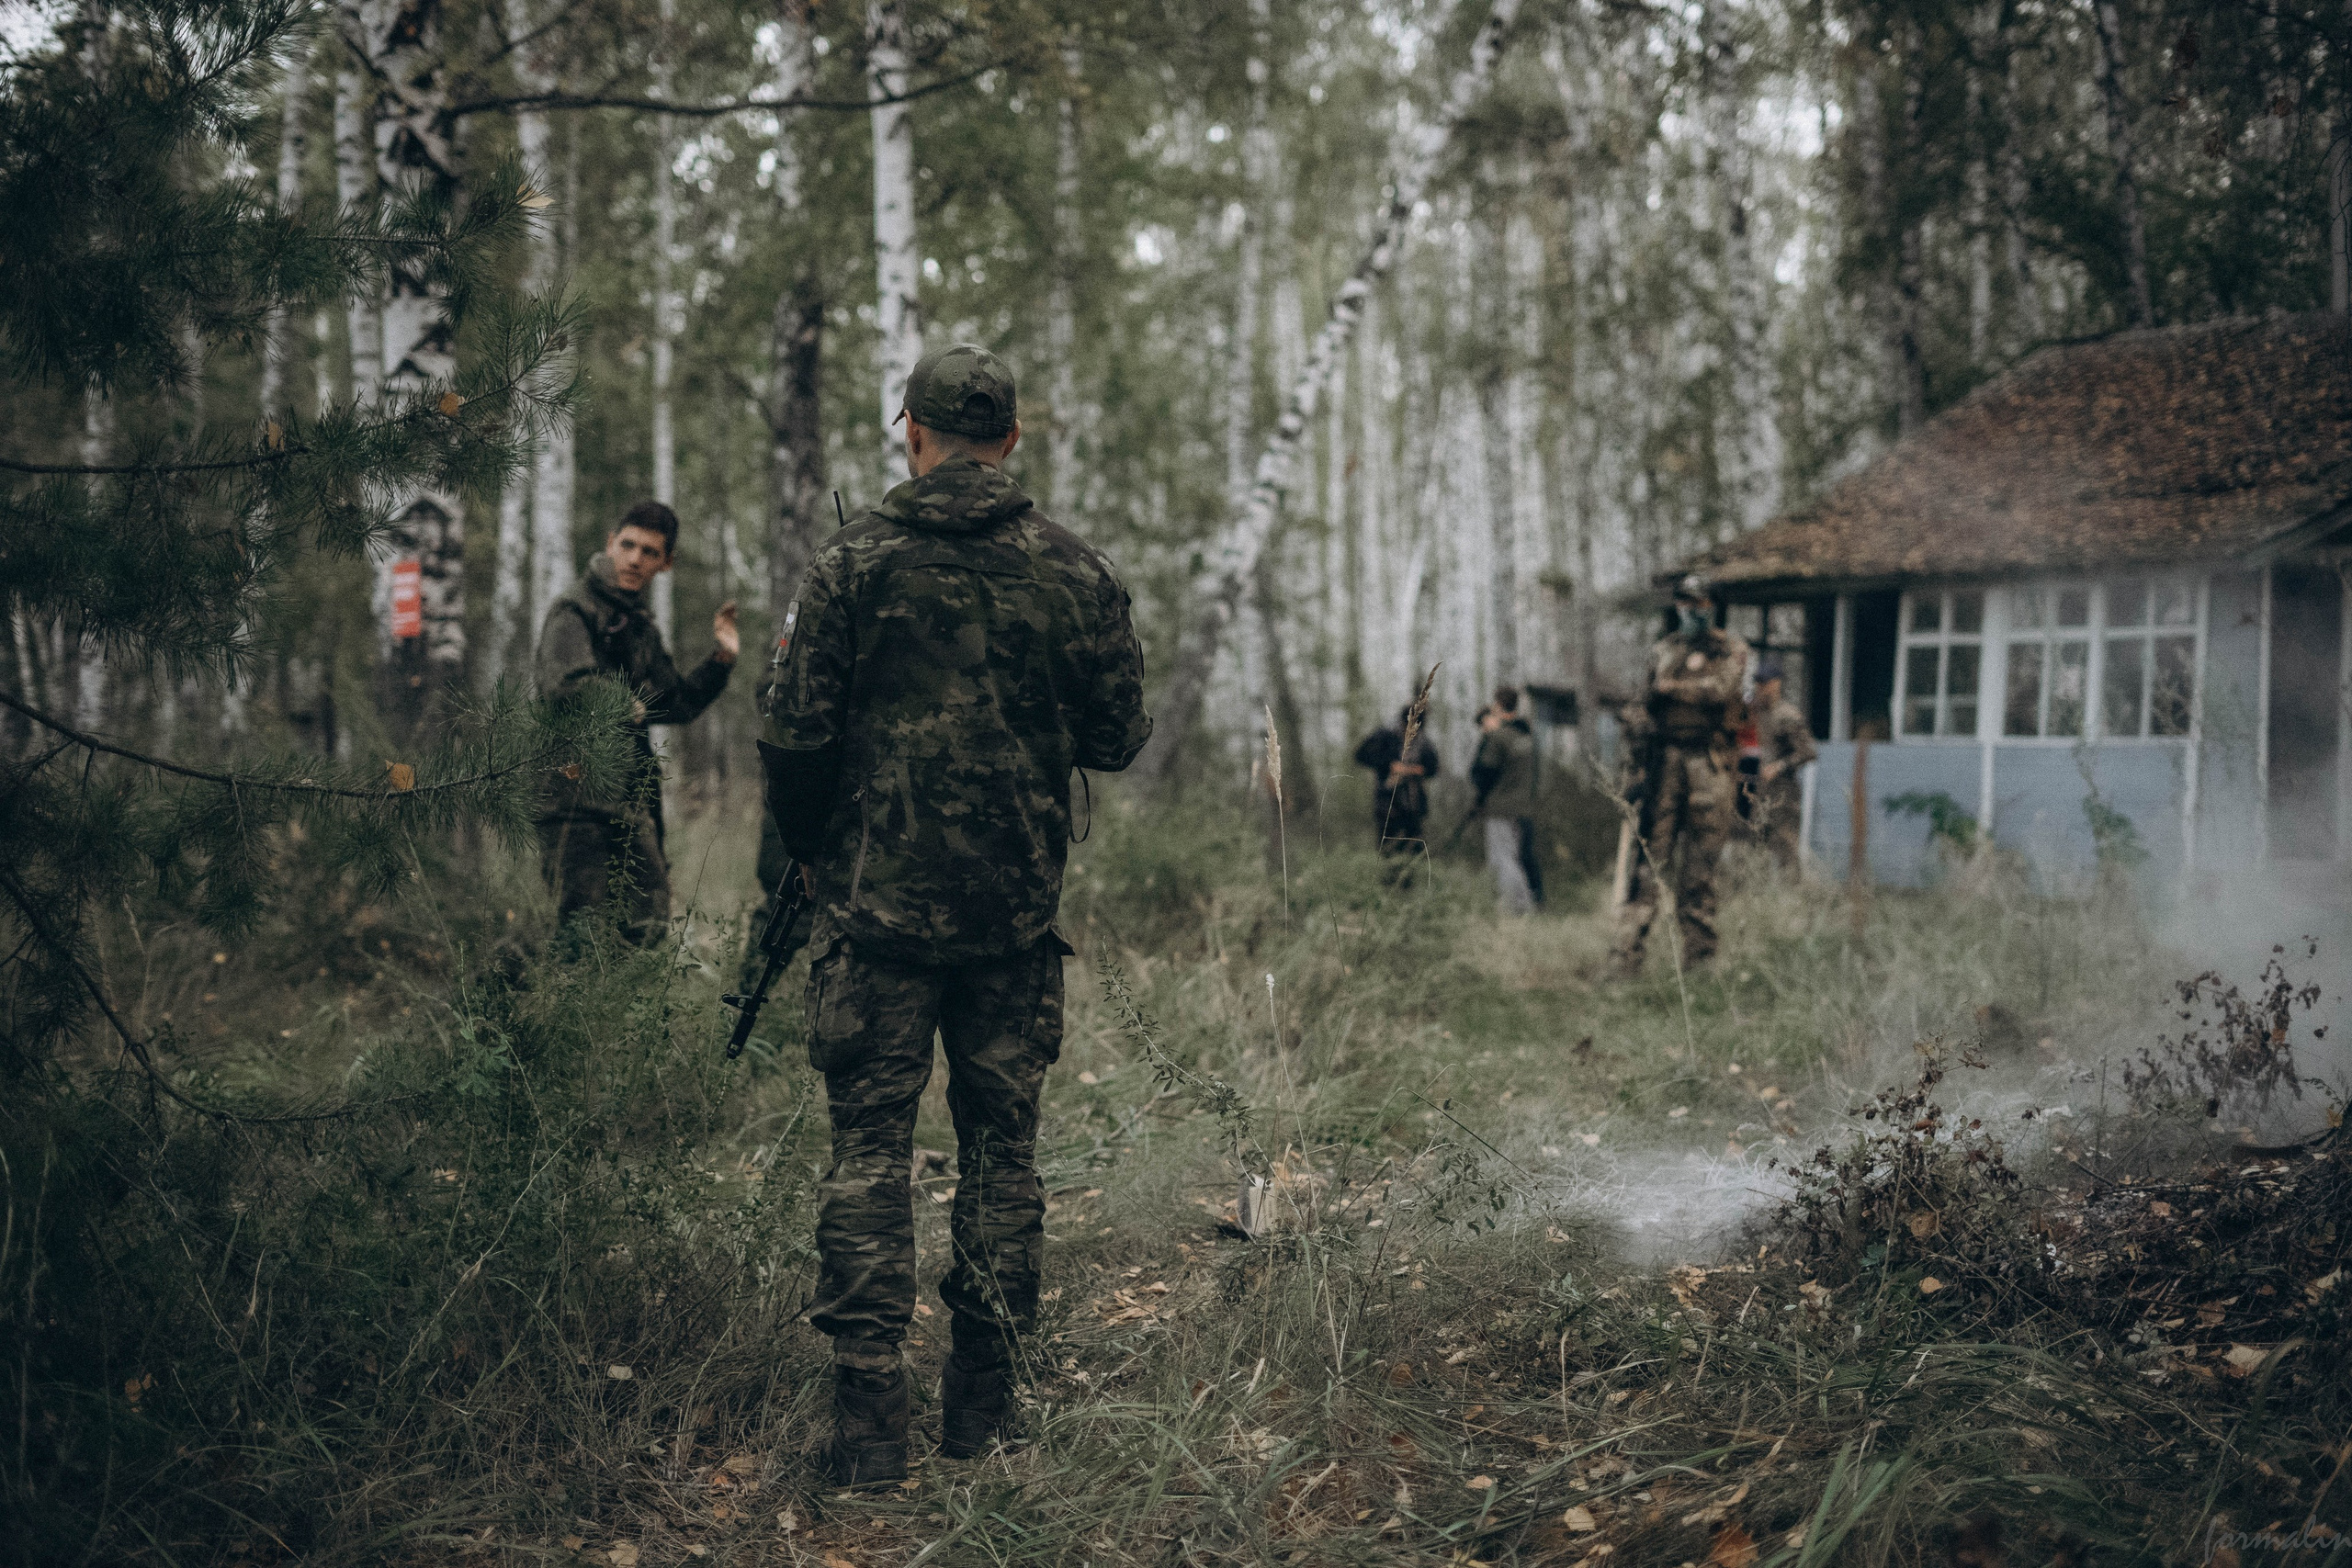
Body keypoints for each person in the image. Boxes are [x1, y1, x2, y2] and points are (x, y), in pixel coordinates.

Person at [758, 344, 1151, 1486]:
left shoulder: (852, 564)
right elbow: (1117, 739)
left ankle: (870, 1425)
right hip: (1013, 921)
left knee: (868, 1158)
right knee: (1002, 1161)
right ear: (1013, 438)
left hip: (875, 915)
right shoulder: (1077, 572)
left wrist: (823, 852)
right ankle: (980, 1409)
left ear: (911, 431)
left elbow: (791, 737)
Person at [535, 500, 738, 945]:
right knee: (578, 937)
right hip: (575, 800)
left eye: (649, 552)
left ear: (665, 564)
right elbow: (567, 686)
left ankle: (605, 1015)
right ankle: (499, 996)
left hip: (626, 802)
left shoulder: (639, 625)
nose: (634, 559)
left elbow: (675, 703)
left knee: (645, 927)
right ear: (610, 543)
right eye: (627, 545)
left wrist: (722, 658)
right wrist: (626, 703)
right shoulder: (575, 610)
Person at [1610, 575, 1749, 977]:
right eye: (1685, 603)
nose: (1691, 610)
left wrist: (1671, 689)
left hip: (1709, 761)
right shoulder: (1664, 650)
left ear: (1713, 606)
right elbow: (1639, 703)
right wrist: (1637, 740)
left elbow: (1721, 690)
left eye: (1700, 602)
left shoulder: (1731, 649)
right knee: (1649, 859)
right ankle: (1626, 955)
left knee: (1700, 865)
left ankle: (1700, 958)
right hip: (1664, 761)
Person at [1469, 687, 1543, 914]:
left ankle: (1520, 908)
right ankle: (1530, 904)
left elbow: (1481, 773)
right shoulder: (1528, 737)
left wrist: (1487, 736)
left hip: (1500, 808)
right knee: (1519, 858)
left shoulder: (1498, 737)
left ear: (1498, 706)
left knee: (1502, 860)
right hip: (1524, 808)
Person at [1743, 658, 1816, 870]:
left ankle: (1793, 895)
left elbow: (1808, 752)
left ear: (1776, 684)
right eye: (1757, 683)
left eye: (1764, 683)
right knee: (1756, 842)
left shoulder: (1788, 715)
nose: (1759, 688)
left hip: (1784, 793)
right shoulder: (1758, 713)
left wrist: (1780, 766)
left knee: (1786, 847)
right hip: (1761, 791)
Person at [1351, 703, 1441, 857]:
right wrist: (1389, 765)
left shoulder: (1423, 742)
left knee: (1414, 851)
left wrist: (1416, 770)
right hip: (1388, 805)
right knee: (1389, 851)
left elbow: (1433, 768)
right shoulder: (1386, 735)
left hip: (1414, 806)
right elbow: (1361, 755)